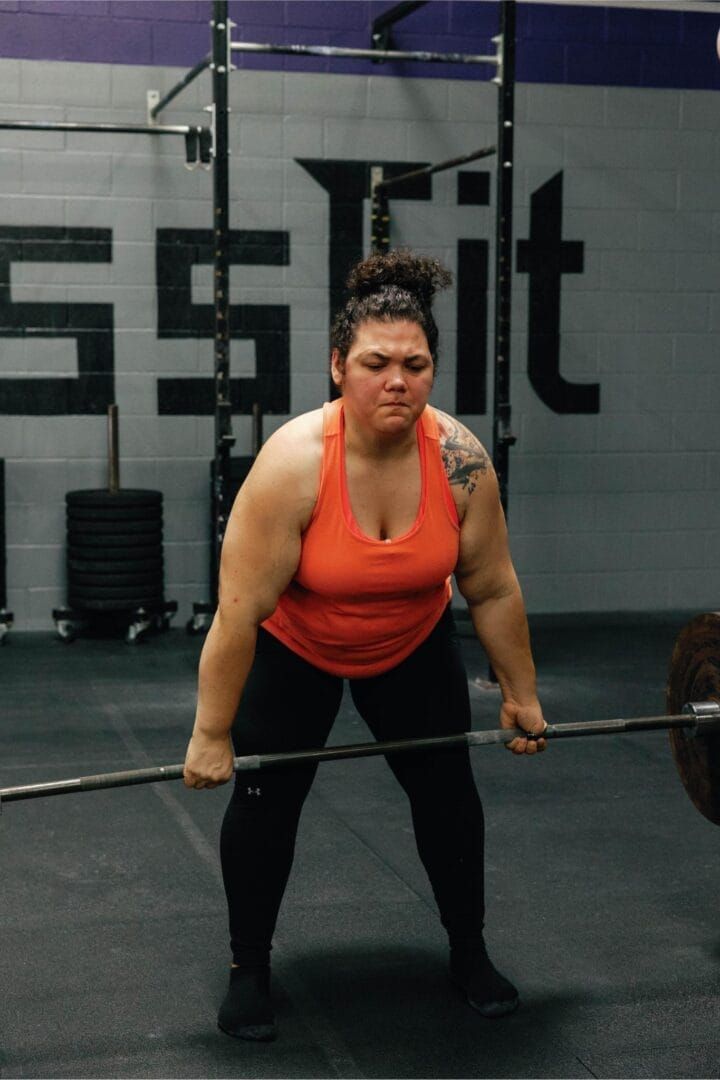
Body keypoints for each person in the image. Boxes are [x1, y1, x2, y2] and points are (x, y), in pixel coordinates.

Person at [183, 249, 547, 1043]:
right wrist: (212, 733)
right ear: (338, 366)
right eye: (377, 363)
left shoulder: (459, 463)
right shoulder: (294, 466)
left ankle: (469, 951)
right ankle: (249, 968)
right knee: (266, 801)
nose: (397, 380)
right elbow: (238, 615)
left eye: (415, 365)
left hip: (412, 641)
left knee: (449, 799)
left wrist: (520, 693)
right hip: (297, 643)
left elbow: (492, 586)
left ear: (433, 370)